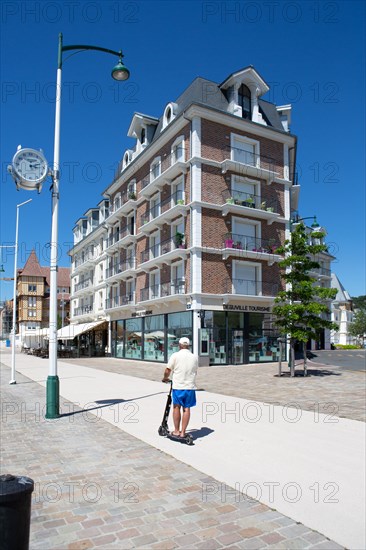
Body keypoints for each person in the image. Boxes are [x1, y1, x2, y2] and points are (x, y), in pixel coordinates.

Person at [162, 337, 198, 438]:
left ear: (179, 345)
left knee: (176, 407)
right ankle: (183, 432)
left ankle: (177, 431)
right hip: (190, 387)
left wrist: (165, 378)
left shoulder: (175, 355)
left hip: (178, 386)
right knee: (187, 409)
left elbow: (168, 370)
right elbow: (195, 371)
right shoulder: (194, 357)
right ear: (188, 345)